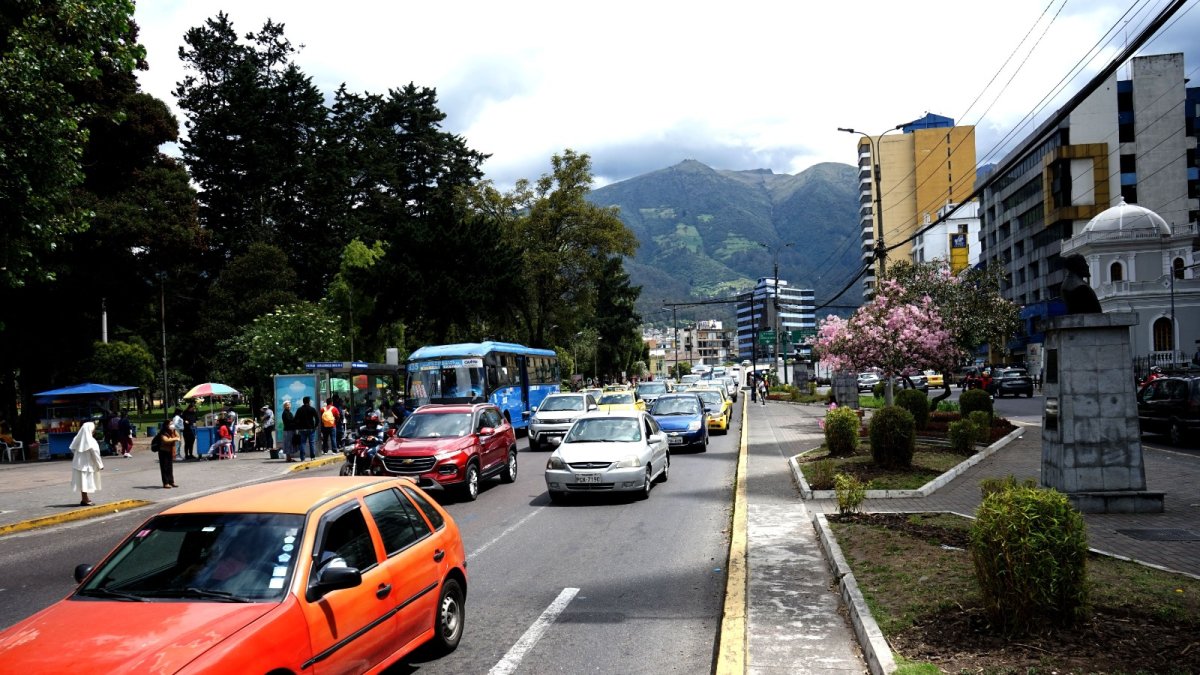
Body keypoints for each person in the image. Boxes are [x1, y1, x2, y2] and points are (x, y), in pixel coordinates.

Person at [69, 422, 104, 506]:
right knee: (86, 482)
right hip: (87, 465)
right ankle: (85, 500)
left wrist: (78, 456)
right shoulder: (91, 441)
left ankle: (84, 498)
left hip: (78, 464)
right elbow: (95, 454)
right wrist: (100, 465)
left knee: (82, 483)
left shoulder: (77, 438)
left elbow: (72, 448)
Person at [154, 422, 179, 489]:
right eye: (170, 424)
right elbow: (166, 440)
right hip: (163, 451)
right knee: (164, 468)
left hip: (170, 451)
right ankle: (166, 483)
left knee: (170, 467)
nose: (172, 425)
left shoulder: (173, 431)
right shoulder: (163, 432)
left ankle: (171, 482)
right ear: (166, 425)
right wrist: (174, 439)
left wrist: (174, 437)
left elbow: (178, 437)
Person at [293, 396, 319, 461]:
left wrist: (298, 427)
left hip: (302, 429)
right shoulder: (312, 409)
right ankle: (312, 457)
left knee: (302, 443)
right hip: (311, 429)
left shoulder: (299, 409)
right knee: (311, 443)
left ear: (303, 402)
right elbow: (317, 419)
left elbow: (295, 419)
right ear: (309, 402)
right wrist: (315, 426)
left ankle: (302, 458)